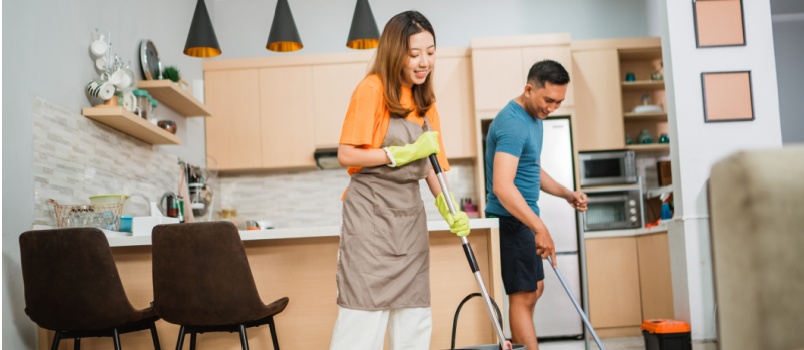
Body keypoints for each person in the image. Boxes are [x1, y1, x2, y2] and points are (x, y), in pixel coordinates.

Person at [330, 10, 470, 350]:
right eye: (415, 53)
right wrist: (398, 154)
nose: (425, 62)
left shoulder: (426, 102)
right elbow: (347, 154)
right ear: (396, 53)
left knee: (414, 320)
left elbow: (433, 167)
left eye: (431, 52)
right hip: (369, 221)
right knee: (362, 320)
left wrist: (450, 208)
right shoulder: (372, 89)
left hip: (409, 223)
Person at [484, 59, 588, 350]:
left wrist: (566, 194)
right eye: (548, 100)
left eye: (559, 102)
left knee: (535, 289)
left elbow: (531, 169)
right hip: (511, 220)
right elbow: (503, 187)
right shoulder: (513, 123)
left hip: (524, 220)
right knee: (523, 295)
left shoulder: (534, 120)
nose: (552, 108)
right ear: (529, 89)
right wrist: (539, 227)